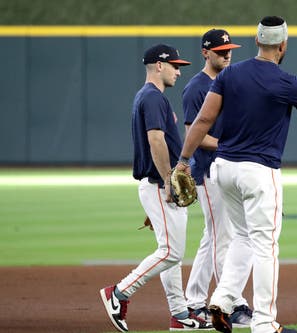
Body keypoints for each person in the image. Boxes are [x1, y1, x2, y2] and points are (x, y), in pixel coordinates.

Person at [174, 15, 297, 333]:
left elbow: (202, 121)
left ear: (256, 42)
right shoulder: (286, 81)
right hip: (258, 172)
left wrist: (183, 161)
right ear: (283, 45)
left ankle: (222, 300)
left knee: (242, 237)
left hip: (223, 169)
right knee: (265, 246)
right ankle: (264, 323)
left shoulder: (230, 74)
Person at [99, 43, 215, 332]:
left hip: (157, 186)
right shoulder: (152, 97)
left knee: (171, 252)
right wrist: (167, 180)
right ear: (159, 66)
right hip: (159, 184)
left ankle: (180, 315)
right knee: (171, 253)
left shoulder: (150, 96)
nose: (179, 71)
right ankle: (119, 292)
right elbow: (156, 140)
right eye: (175, 65)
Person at [182, 28, 253, 328]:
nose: (227, 54)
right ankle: (231, 302)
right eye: (221, 51)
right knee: (223, 237)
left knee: (213, 237)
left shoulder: (229, 81)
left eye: (229, 50)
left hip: (228, 169)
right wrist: (230, 146)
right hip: (209, 173)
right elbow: (193, 135)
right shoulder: (195, 88)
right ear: (205, 52)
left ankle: (194, 300)